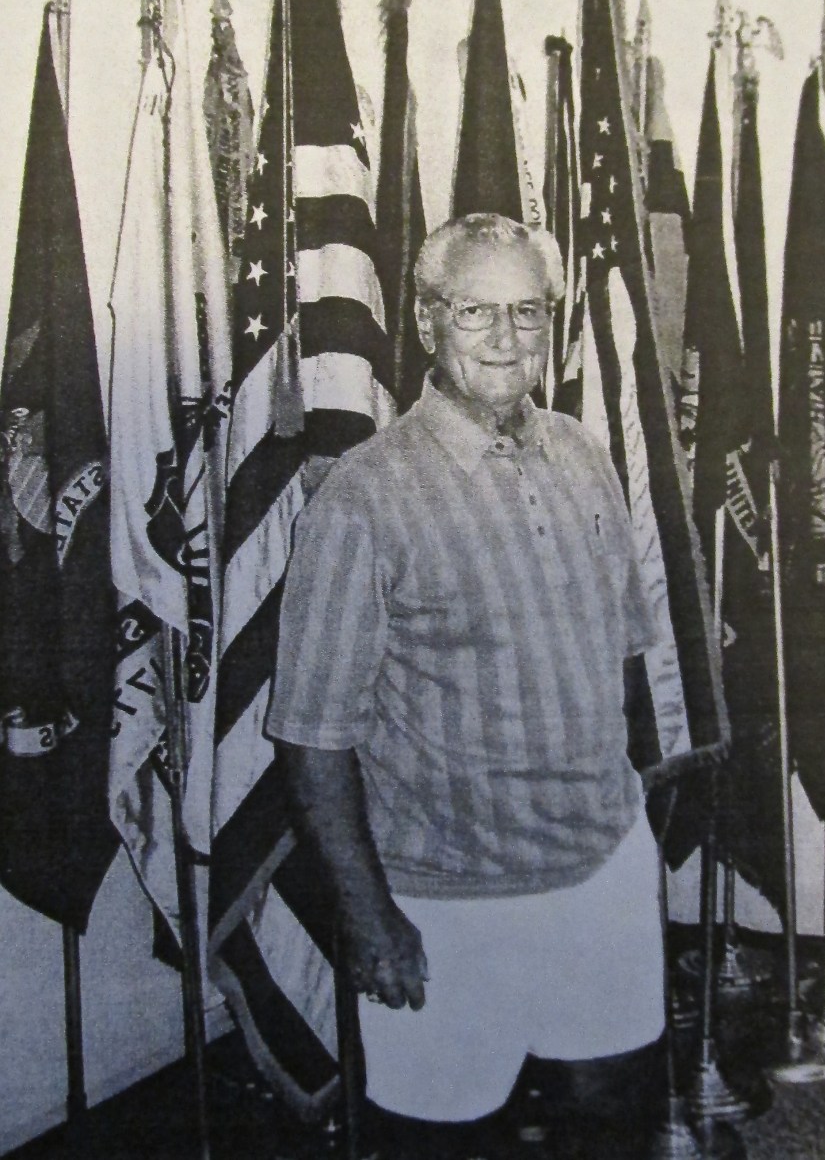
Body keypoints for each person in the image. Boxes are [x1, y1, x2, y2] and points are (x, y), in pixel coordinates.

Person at [266, 213, 666, 1157]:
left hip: (600, 871)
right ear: (426, 321)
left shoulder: (585, 455)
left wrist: (630, 840)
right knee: (443, 1135)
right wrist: (369, 916)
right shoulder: (363, 496)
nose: (504, 337)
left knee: (612, 1117)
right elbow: (311, 737)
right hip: (443, 897)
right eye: (474, 311)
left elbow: (619, 664)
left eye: (528, 312)